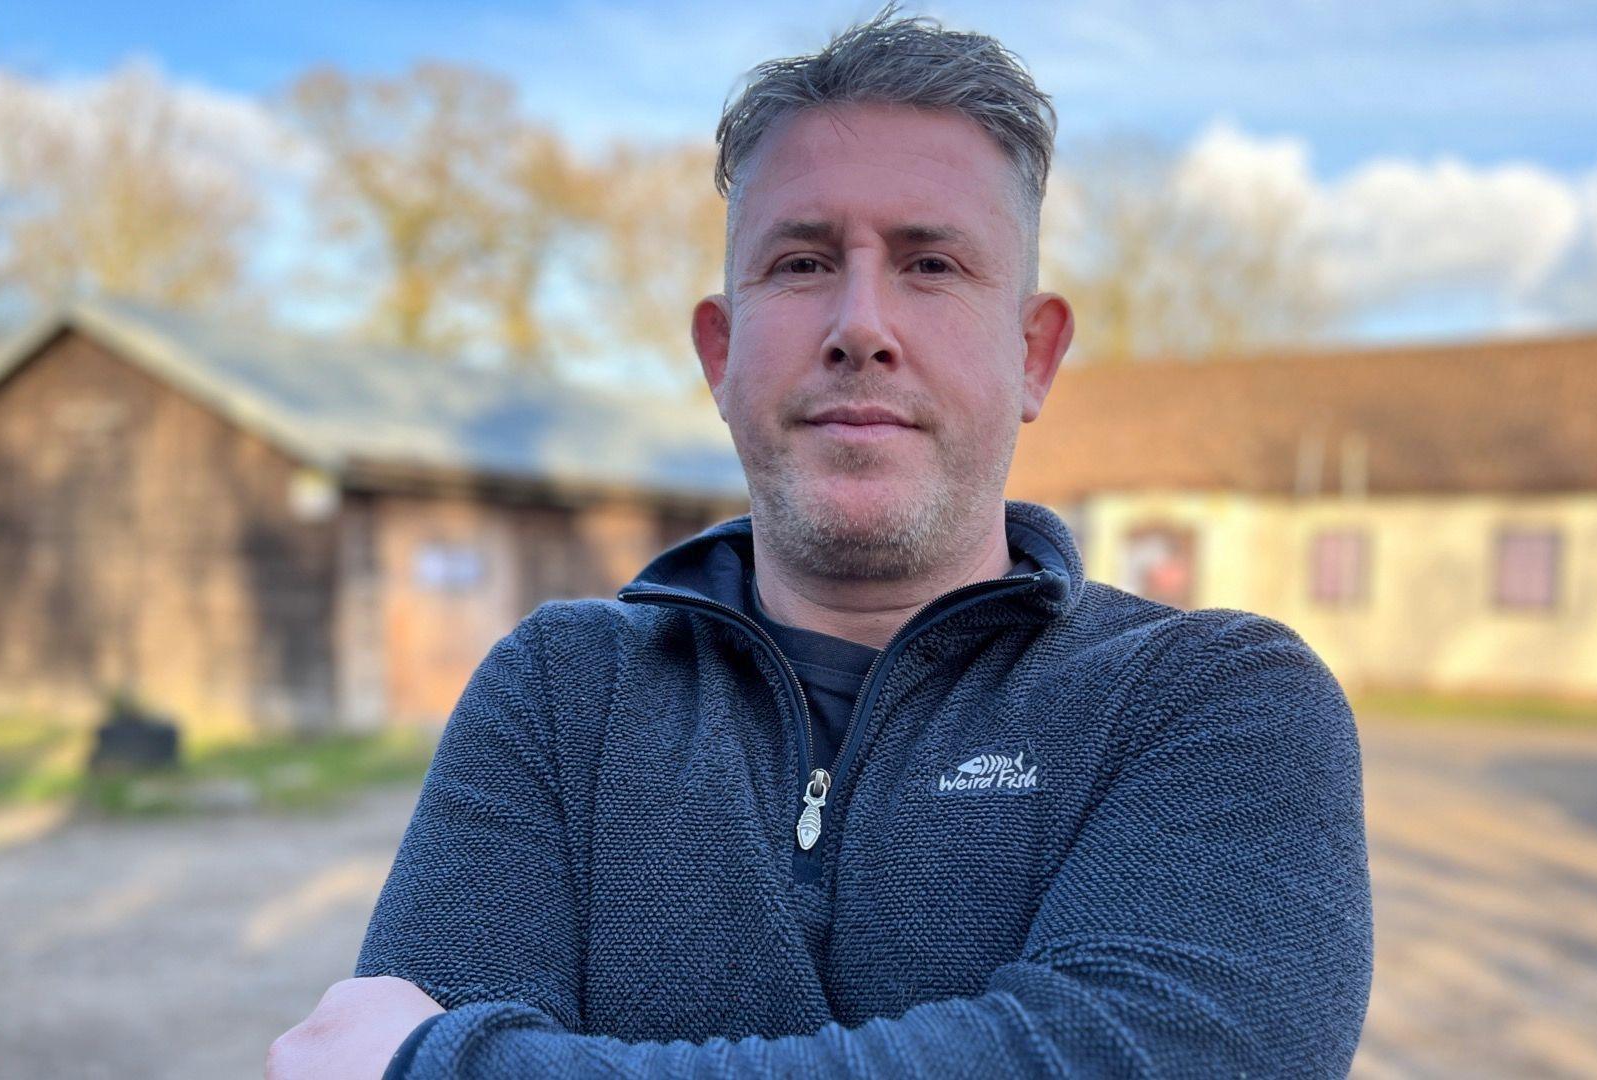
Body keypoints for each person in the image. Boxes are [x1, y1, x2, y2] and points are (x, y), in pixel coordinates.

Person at [268, 8, 1372, 1078]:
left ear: (1033, 355)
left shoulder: (1211, 701)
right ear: (719, 348)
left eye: (930, 264)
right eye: (800, 262)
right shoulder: (561, 698)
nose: (860, 327)